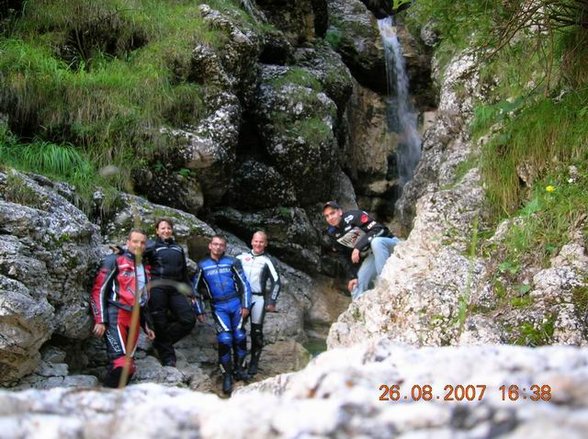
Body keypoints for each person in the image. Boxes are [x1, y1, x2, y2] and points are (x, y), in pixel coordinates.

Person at [90, 229, 155, 388]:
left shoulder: (145, 267)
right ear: (127, 242)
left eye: (142, 242)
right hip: (116, 315)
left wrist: (147, 325)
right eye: (135, 241)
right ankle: (103, 401)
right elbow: (99, 290)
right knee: (121, 365)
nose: (138, 245)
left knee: (130, 367)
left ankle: (115, 402)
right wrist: (100, 320)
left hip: (135, 318)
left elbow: (144, 299)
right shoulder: (114, 260)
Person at [192, 234, 252, 395]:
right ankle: (227, 375)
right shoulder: (203, 265)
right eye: (215, 244)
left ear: (225, 247)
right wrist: (199, 309)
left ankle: (240, 369)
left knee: (239, 336)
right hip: (218, 306)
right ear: (210, 246)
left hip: (235, 303)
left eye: (221, 245)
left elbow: (244, 283)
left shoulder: (233, 262)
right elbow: (194, 290)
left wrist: (246, 304)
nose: (218, 247)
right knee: (225, 339)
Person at [322, 201, 400, 300]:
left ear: (340, 212)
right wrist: (352, 276)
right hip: (373, 256)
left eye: (332, 213)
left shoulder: (354, 216)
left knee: (376, 242)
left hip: (391, 246)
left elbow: (378, 229)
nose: (330, 218)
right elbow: (342, 255)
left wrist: (358, 247)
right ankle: (359, 311)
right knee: (356, 287)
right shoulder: (332, 232)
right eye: (327, 216)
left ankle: (384, 283)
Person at [144, 218, 196, 367]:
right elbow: (135, 255)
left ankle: (161, 343)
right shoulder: (152, 246)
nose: (166, 231)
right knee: (159, 321)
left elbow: (184, 272)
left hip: (175, 288)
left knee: (188, 319)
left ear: (172, 230)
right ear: (157, 231)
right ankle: (168, 357)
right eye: (162, 228)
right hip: (157, 287)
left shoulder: (178, 248)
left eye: (168, 228)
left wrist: (190, 291)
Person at [236, 231, 280, 376]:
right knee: (239, 330)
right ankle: (240, 362)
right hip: (242, 299)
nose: (258, 244)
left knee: (256, 333)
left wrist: (272, 301)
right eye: (256, 241)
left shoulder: (269, 261)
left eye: (261, 242)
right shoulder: (240, 257)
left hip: (258, 299)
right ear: (251, 241)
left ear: (265, 244)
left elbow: (277, 282)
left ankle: (254, 363)